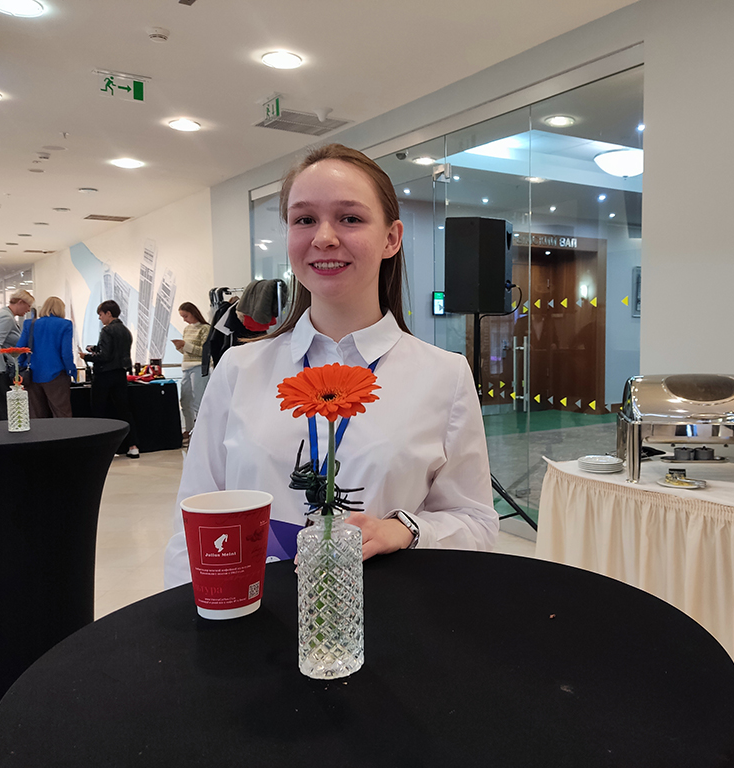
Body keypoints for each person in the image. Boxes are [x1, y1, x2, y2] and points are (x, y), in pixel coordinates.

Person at [163, 144, 498, 587]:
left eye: (350, 218)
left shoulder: (444, 375)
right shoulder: (239, 369)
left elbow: (476, 523)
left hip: (389, 612)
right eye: (304, 219)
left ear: (391, 239)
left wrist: (405, 529)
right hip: (256, 615)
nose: (323, 237)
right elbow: (194, 520)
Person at [81, 300, 139, 458]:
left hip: (104, 375)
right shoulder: (126, 331)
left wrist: (87, 356)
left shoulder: (106, 330)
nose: (99, 318)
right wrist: (95, 348)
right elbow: (115, 351)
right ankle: (133, 446)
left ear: (108, 313)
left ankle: (102, 448)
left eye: (101, 314)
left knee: (99, 410)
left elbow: (105, 356)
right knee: (124, 410)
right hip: (120, 374)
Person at [16, 296, 77, 418]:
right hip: (56, 375)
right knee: (61, 414)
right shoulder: (65, 324)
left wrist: (22, 366)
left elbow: (20, 348)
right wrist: (71, 371)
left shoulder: (30, 324)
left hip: (32, 375)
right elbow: (66, 353)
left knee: (36, 415)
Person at [170, 302, 211, 442]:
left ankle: (201, 431)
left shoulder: (205, 328)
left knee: (198, 400)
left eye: (186, 316)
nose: (184, 319)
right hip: (187, 367)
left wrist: (185, 345)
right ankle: (189, 429)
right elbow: (187, 352)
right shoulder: (187, 329)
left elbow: (204, 352)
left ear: (193, 313)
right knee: (185, 400)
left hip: (199, 367)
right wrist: (180, 348)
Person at [0, 290, 35, 378]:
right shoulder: (6, 318)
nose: (29, 310)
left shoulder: (1, 314)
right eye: (28, 306)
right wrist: (2, 371)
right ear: (20, 302)